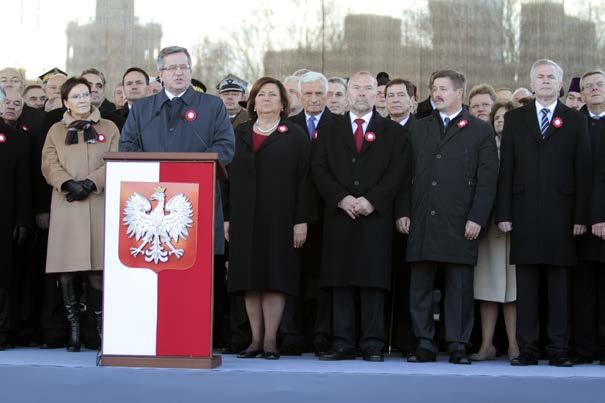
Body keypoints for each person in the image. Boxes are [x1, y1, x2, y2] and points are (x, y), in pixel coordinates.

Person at [496, 59, 592, 367]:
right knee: (527, 286)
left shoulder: (575, 120)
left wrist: (581, 217)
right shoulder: (515, 119)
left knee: (558, 287)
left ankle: (558, 350)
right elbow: (506, 169)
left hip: (562, 216)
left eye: (551, 77)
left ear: (560, 84)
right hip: (523, 213)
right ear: (533, 84)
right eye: (540, 77)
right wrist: (504, 213)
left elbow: (583, 172)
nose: (546, 81)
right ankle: (528, 350)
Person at [402, 70, 499, 365]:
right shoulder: (418, 128)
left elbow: (487, 180)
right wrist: (403, 212)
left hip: (461, 220)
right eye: (434, 88)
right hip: (422, 217)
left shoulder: (479, 130)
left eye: (443, 88)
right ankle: (424, 342)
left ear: (460, 93)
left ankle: (458, 343)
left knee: (459, 286)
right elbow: (404, 174)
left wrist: (477, 218)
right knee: (421, 285)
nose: (437, 93)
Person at [313, 71, 408, 362]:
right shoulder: (328, 129)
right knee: (340, 281)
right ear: (347, 93)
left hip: (375, 217)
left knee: (373, 282)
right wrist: (341, 198)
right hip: (339, 216)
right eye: (357, 88)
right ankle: (342, 342)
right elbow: (318, 168)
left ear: (376, 94)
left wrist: (372, 200)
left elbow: (398, 173)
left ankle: (372, 344)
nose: (362, 93)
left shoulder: (393, 132)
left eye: (368, 89)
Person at [225, 77, 313, 360]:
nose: (266, 100)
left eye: (272, 95)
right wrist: (226, 218)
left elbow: (305, 180)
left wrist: (301, 220)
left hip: (281, 218)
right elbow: (226, 180)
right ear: (252, 101)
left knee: (275, 277)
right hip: (244, 217)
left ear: (283, 102)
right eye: (261, 95)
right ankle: (255, 339)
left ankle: (272, 341)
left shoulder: (295, 134)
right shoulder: (238, 133)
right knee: (249, 279)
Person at [119, 46, 235, 255]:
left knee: (198, 262)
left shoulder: (212, 105)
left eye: (184, 67)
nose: (179, 72)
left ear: (190, 71)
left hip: (199, 196)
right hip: (153, 196)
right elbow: (127, 146)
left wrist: (194, 168)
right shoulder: (142, 109)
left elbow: (225, 146)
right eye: (172, 68)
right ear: (161, 75)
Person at [41, 77, 120, 352]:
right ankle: (73, 331)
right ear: (65, 102)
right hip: (67, 204)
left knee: (97, 270)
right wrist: (67, 183)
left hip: (97, 201)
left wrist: (90, 182)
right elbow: (49, 163)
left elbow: (116, 158)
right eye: (75, 96)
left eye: (85, 94)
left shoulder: (109, 127)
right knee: (66, 271)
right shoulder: (54, 130)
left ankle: (97, 330)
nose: (82, 100)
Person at [285, 71, 338, 355]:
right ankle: (294, 335)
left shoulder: (340, 125)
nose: (314, 99)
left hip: (331, 215)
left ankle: (321, 335)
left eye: (319, 93)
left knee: (324, 278)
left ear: (327, 95)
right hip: (294, 214)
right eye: (308, 94)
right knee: (295, 275)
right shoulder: (288, 126)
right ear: (299, 96)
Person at [471, 100, 519, 362]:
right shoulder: (485, 145)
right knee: (487, 287)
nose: (501, 120)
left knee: (512, 291)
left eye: (507, 116)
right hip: (488, 227)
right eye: (497, 117)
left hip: (514, 227)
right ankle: (486, 344)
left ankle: (514, 345)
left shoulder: (523, 146)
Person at [571, 70, 605, 365]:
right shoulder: (573, 123)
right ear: (580, 94)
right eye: (588, 87)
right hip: (578, 223)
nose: (594, 90)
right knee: (581, 290)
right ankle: (584, 348)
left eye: (599, 85)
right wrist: (583, 216)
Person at [0, 87, 32, 350]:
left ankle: (3, 331)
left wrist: (23, 219)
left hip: (5, 217)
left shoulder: (18, 138)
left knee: (4, 277)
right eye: (5, 101)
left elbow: (24, 183)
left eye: (15, 103)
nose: (10, 106)